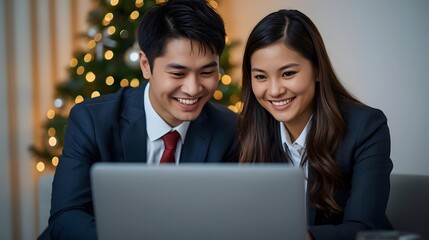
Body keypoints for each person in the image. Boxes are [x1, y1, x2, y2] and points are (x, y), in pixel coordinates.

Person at [42, 0, 237, 239]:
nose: (193, 88)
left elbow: (226, 220)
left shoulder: (229, 129)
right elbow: (67, 217)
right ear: (146, 65)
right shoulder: (91, 120)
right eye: (178, 73)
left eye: (207, 72)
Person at [238, 9, 393, 240]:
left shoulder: (366, 127)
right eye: (260, 77)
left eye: (288, 73)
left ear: (318, 70)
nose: (274, 90)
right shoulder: (249, 129)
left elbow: (365, 228)